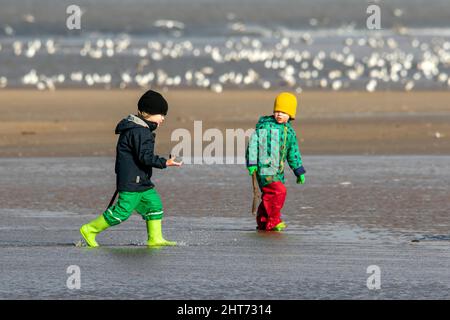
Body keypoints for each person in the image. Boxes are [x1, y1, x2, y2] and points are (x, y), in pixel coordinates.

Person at [80, 90, 182, 247]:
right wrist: (165, 162)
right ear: (147, 113)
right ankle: (90, 229)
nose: (163, 118)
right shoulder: (140, 131)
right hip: (132, 181)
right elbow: (145, 157)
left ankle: (155, 238)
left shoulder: (138, 128)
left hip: (141, 180)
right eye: (160, 114)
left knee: (154, 205)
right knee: (122, 212)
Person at [246, 92, 306, 231]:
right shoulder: (266, 127)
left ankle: (263, 221)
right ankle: (274, 221)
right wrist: (252, 162)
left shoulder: (290, 132)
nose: (279, 114)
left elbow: (293, 152)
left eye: (283, 112)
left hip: (278, 171)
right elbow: (253, 144)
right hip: (264, 168)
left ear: (290, 115)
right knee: (279, 191)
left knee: (269, 195)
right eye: (277, 111)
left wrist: (298, 171)